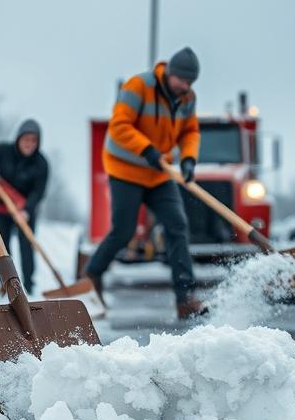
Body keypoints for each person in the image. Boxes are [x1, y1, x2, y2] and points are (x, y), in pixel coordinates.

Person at [82, 47, 208, 320]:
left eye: (189, 83)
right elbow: (119, 126)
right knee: (124, 230)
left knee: (177, 225)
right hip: (126, 168)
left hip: (158, 172)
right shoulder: (138, 86)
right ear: (170, 72)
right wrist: (147, 150)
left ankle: (185, 298)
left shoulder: (187, 97)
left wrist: (188, 159)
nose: (184, 86)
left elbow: (190, 131)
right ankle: (92, 273)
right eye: (181, 81)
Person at [0, 119, 49, 295]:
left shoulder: (41, 164)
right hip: (0, 209)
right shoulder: (4, 151)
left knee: (26, 246)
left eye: (33, 141)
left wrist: (27, 211)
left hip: (24, 210)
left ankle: (29, 287)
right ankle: (5, 286)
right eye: (25, 139)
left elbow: (39, 192)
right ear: (18, 139)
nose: (29, 144)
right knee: (2, 249)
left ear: (38, 143)